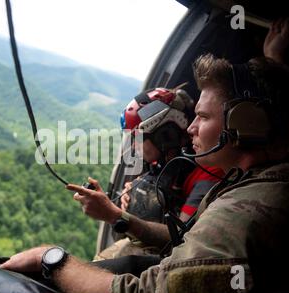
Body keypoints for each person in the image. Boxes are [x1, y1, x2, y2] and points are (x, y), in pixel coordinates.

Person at [0, 19, 289, 293]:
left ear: (244, 127)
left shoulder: (238, 216)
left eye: (202, 117)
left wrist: (51, 258)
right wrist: (273, 59)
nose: (192, 127)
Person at [93, 87, 224, 261]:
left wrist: (117, 215)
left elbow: (181, 237)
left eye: (138, 138)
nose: (134, 147)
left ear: (165, 136)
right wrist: (134, 191)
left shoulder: (209, 173)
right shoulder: (166, 162)